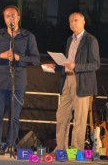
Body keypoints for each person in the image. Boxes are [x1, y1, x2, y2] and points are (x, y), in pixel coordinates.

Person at [0, 5, 40, 154]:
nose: (11, 19)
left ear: (19, 18)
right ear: (4, 19)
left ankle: (10, 145)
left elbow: (35, 59)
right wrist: (0, 56)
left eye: (13, 16)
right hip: (0, 82)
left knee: (14, 116)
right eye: (8, 16)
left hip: (18, 82)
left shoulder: (28, 36)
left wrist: (19, 58)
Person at [44, 12, 100, 151]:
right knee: (62, 116)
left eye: (76, 20)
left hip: (82, 82)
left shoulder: (90, 40)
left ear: (83, 22)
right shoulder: (70, 40)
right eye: (70, 21)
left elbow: (95, 64)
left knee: (79, 120)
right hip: (67, 80)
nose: (73, 23)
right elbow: (68, 62)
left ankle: (76, 150)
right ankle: (61, 149)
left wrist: (77, 66)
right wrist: (56, 67)